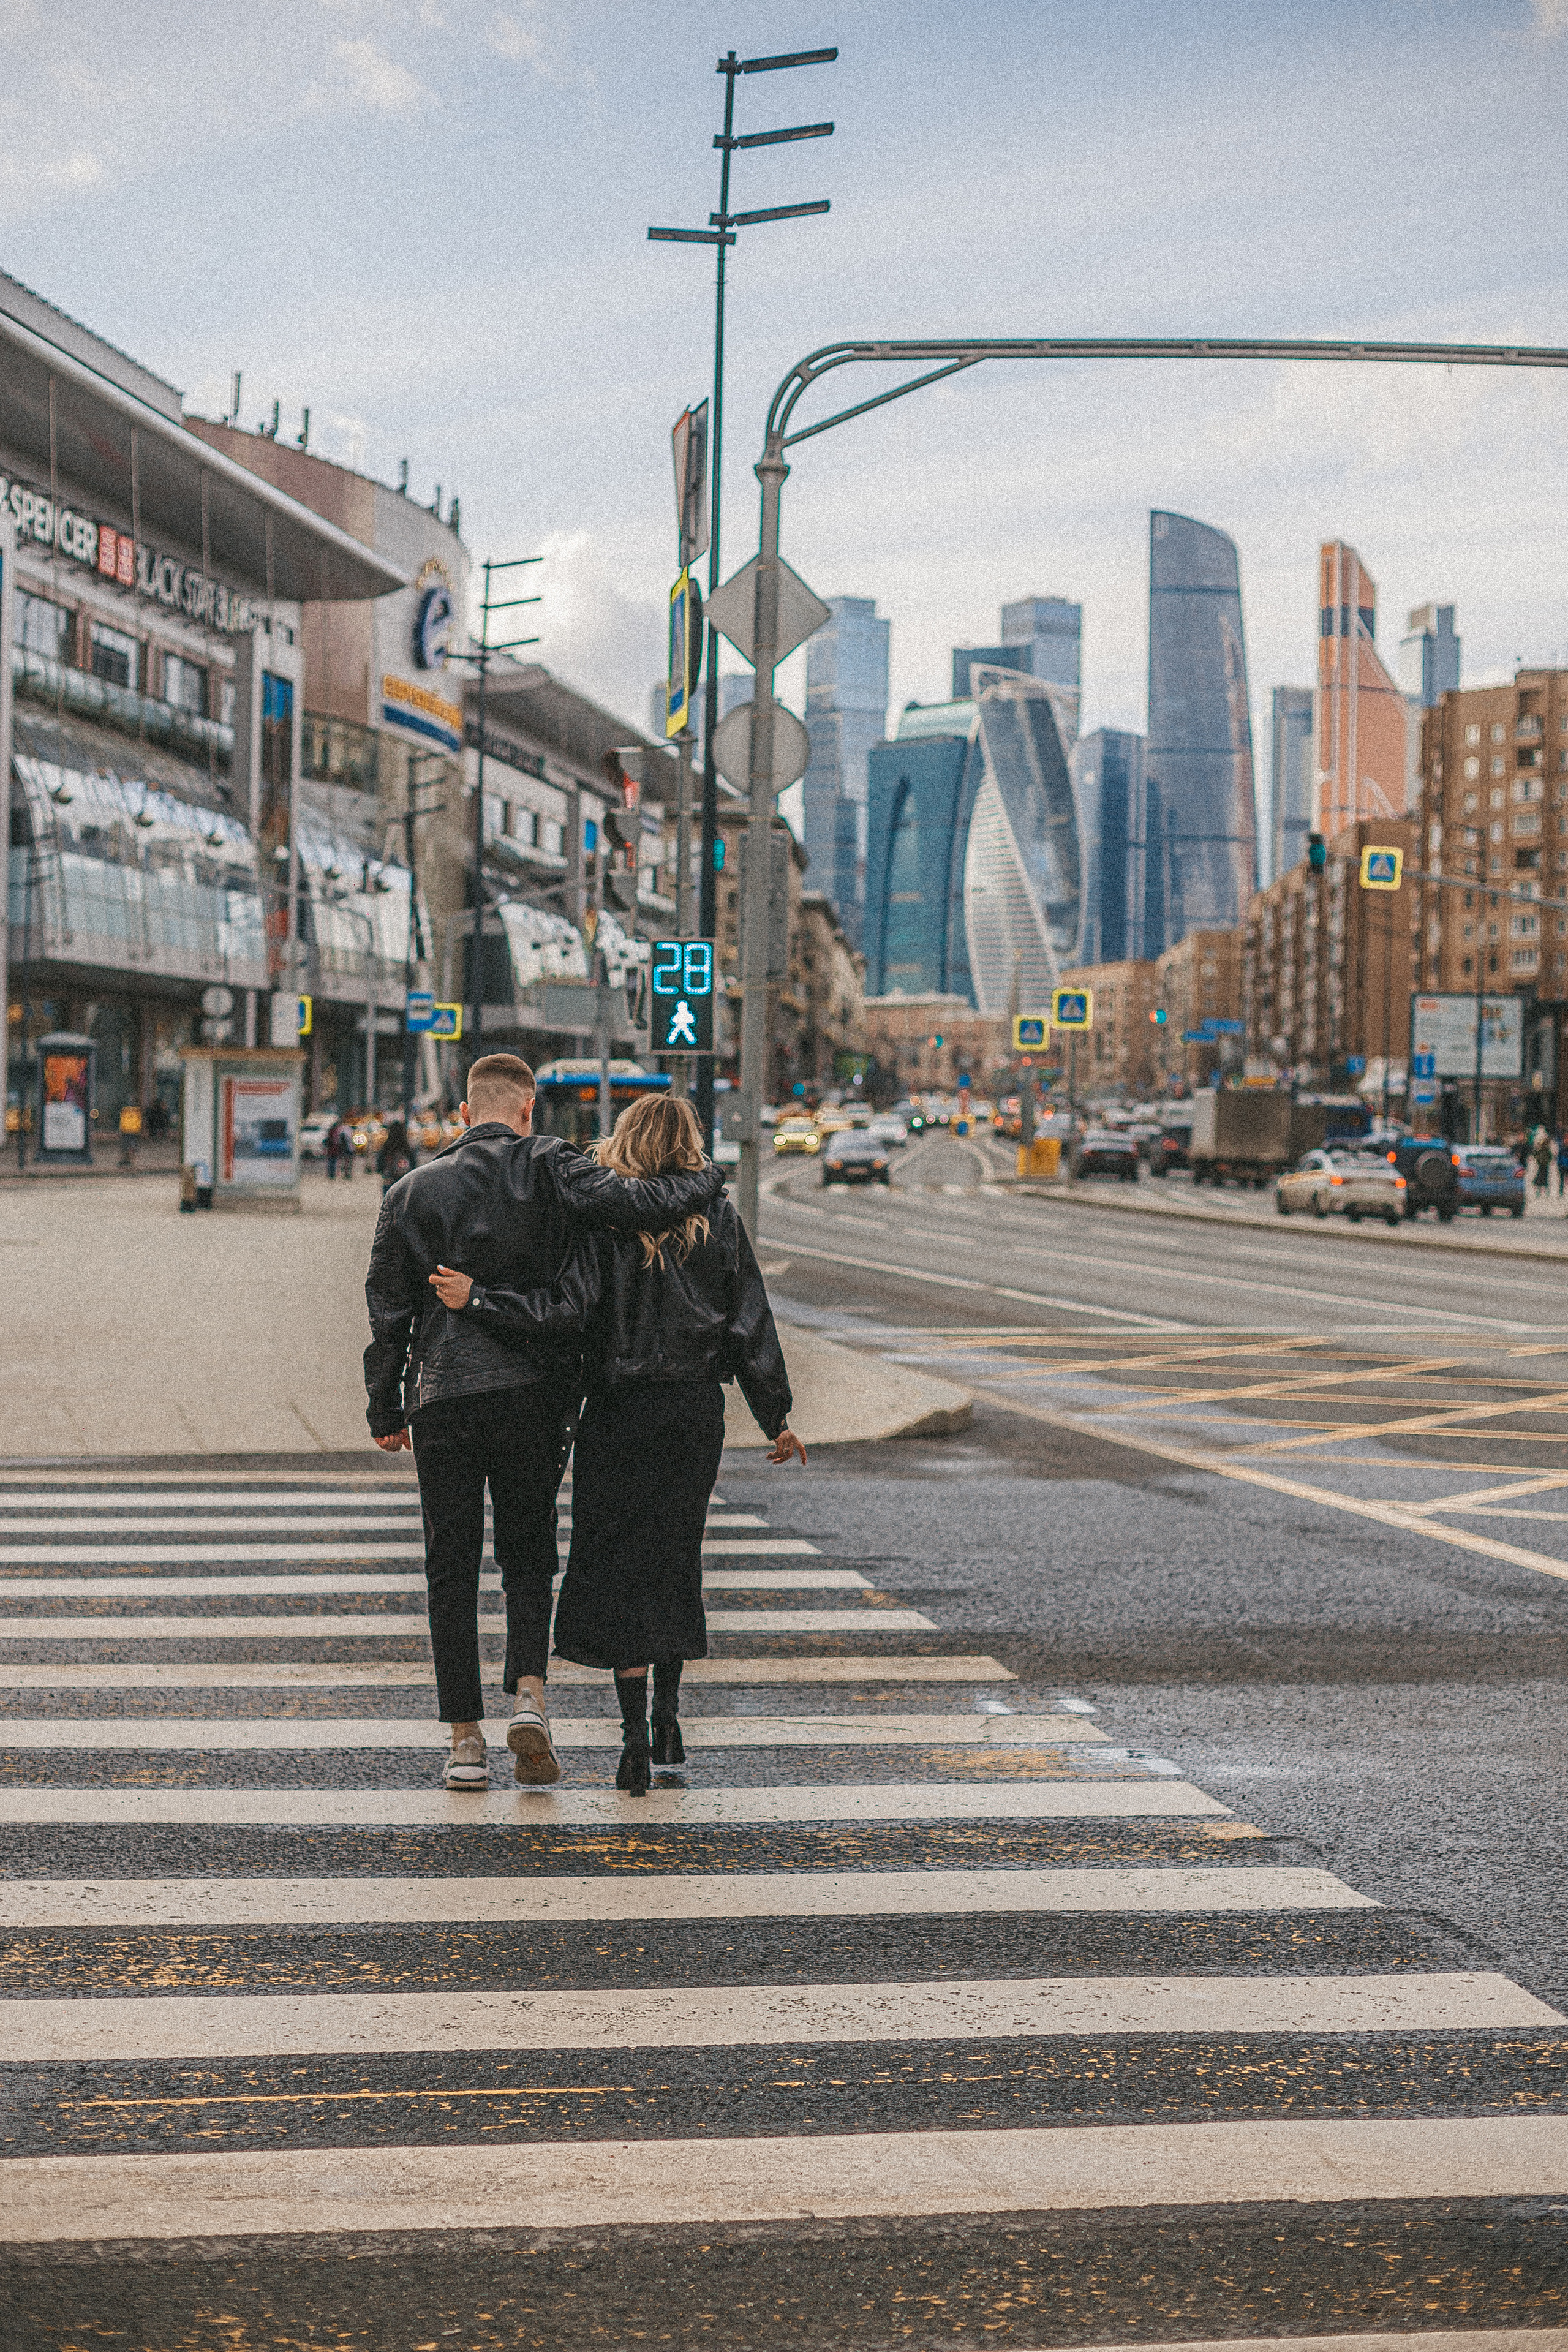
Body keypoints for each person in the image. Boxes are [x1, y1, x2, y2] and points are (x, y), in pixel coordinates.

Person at [364, 1055, 723, 1793]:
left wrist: (384, 1405)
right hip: (533, 1397)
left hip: (443, 1398)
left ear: (465, 1112)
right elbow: (645, 1204)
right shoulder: (556, 1168)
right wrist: (709, 1177)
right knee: (527, 1558)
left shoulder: (409, 1191)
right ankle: (529, 1695)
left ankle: (465, 1740)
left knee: (449, 1565)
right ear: (528, 1110)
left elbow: (388, 1311)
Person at [429, 1093, 805, 1798]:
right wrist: (775, 1415)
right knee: (672, 1557)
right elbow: (747, 1319)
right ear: (688, 1143)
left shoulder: (598, 1223)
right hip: (691, 1412)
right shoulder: (715, 1215)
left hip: (616, 1412)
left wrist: (479, 1300)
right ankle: (668, 1718)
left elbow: (564, 1312)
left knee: (617, 1566)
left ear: (623, 1139)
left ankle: (632, 1738)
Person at [377, 1118, 415, 1196]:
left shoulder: (386, 1148)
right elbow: (414, 1165)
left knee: (389, 1205)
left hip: (389, 1182)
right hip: (405, 1182)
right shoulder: (407, 1149)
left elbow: (380, 1166)